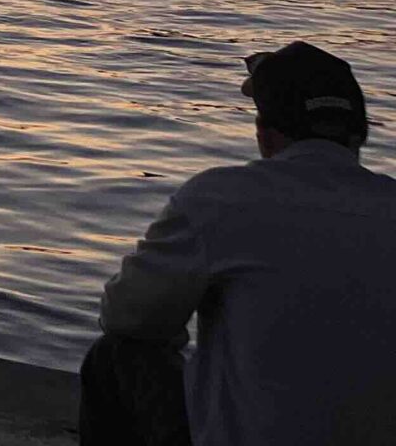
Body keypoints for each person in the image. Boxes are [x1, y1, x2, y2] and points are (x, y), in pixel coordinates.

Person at [84, 41, 396, 446]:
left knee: (117, 355)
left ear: (264, 133)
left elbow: (126, 315)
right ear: (359, 135)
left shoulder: (219, 199)